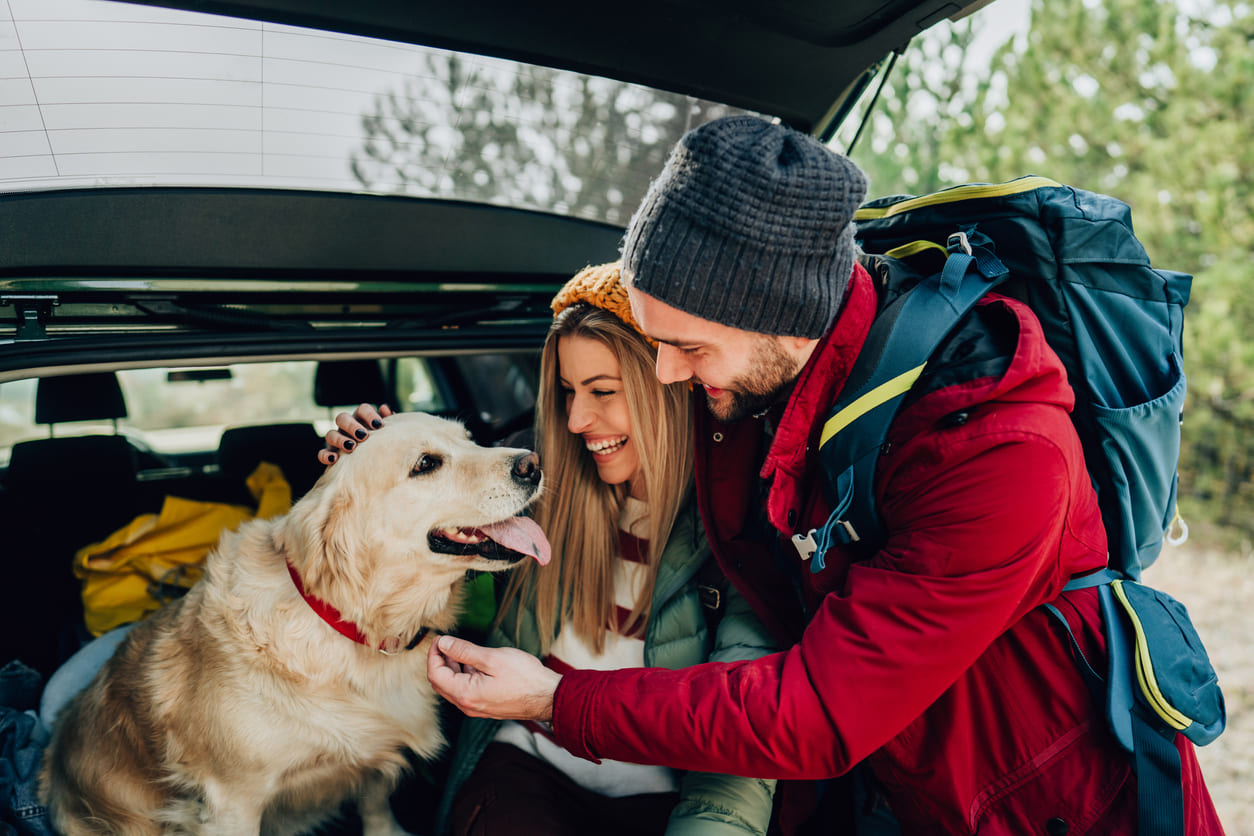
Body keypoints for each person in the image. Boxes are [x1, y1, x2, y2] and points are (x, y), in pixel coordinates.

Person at [417, 116, 1226, 834]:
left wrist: (556, 701)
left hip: (1054, 802)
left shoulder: (999, 448)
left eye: (688, 348)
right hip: (898, 787)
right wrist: (404, 454)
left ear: (783, 314)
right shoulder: (760, 384)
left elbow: (816, 713)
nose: (664, 375)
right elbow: (594, 432)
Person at [323, 262, 778, 836]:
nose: (578, 420)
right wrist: (369, 461)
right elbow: (388, 538)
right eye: (566, 392)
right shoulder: (531, 477)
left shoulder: (741, 522)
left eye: (603, 392)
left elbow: (741, 742)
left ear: (665, 385)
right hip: (524, 766)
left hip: (660, 797)